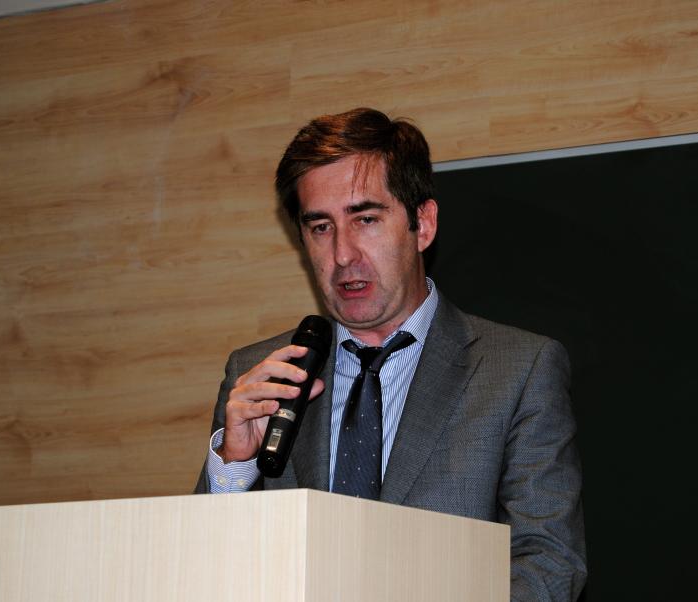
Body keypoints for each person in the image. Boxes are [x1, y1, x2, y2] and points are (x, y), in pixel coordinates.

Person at [195, 107, 587, 600]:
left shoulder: (519, 371)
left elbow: (548, 565)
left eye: (365, 219)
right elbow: (204, 568)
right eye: (321, 227)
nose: (342, 254)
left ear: (423, 224)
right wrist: (235, 467)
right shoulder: (261, 376)